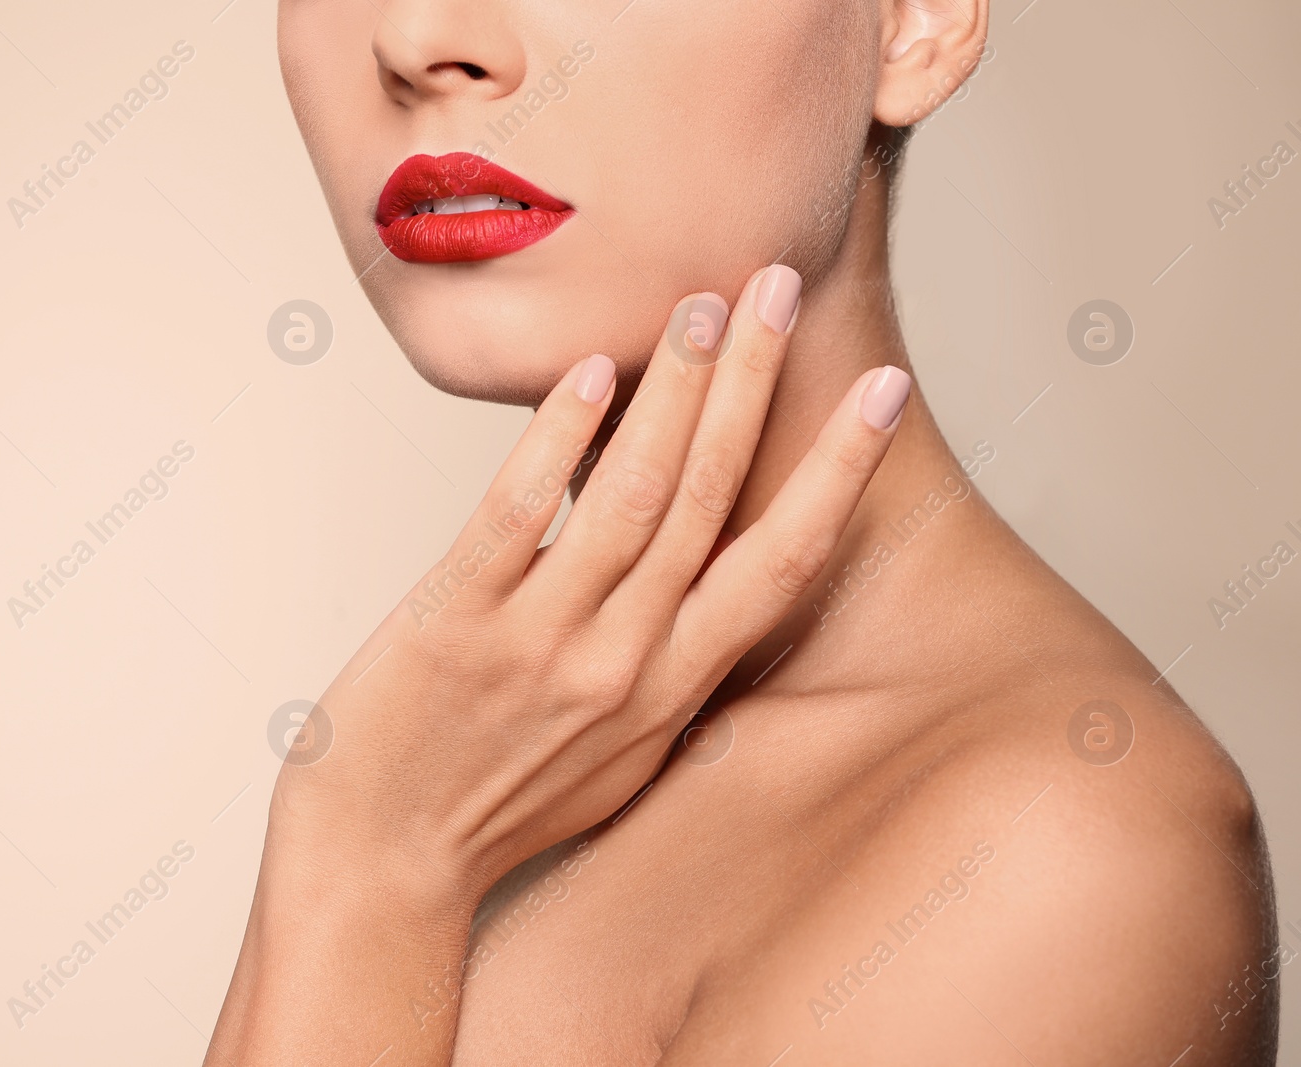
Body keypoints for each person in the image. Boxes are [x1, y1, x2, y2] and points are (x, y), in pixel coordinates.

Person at [205, 1, 1278, 1063]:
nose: (416, 38)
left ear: (915, 22)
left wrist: (372, 863)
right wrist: (362, 845)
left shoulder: (1060, 850)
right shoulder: (471, 751)